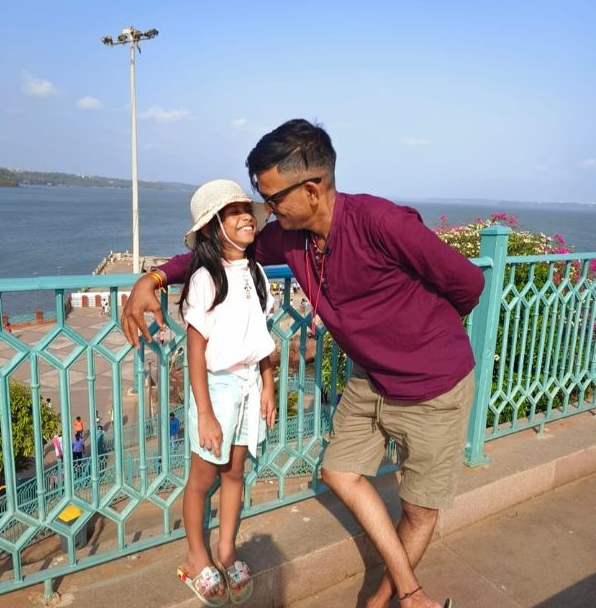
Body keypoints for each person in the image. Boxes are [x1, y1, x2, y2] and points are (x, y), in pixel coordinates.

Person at [122, 120, 485, 608]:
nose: (266, 211)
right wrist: (154, 278)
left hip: (434, 385)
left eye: (272, 199)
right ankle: (410, 593)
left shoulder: (382, 223)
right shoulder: (292, 238)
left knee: (419, 509)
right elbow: (224, 251)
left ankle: (393, 597)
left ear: (311, 190)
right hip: (371, 379)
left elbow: (469, 284)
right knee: (338, 472)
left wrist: (420, 336)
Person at [170, 179, 277, 606]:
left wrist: (268, 386)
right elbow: (195, 352)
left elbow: (261, 338)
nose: (246, 216)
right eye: (234, 212)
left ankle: (226, 549)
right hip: (216, 391)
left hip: (250, 385)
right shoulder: (205, 279)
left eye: (246, 209)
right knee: (202, 478)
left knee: (234, 471)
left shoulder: (256, 273)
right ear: (213, 227)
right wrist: (206, 412)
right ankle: (196, 556)